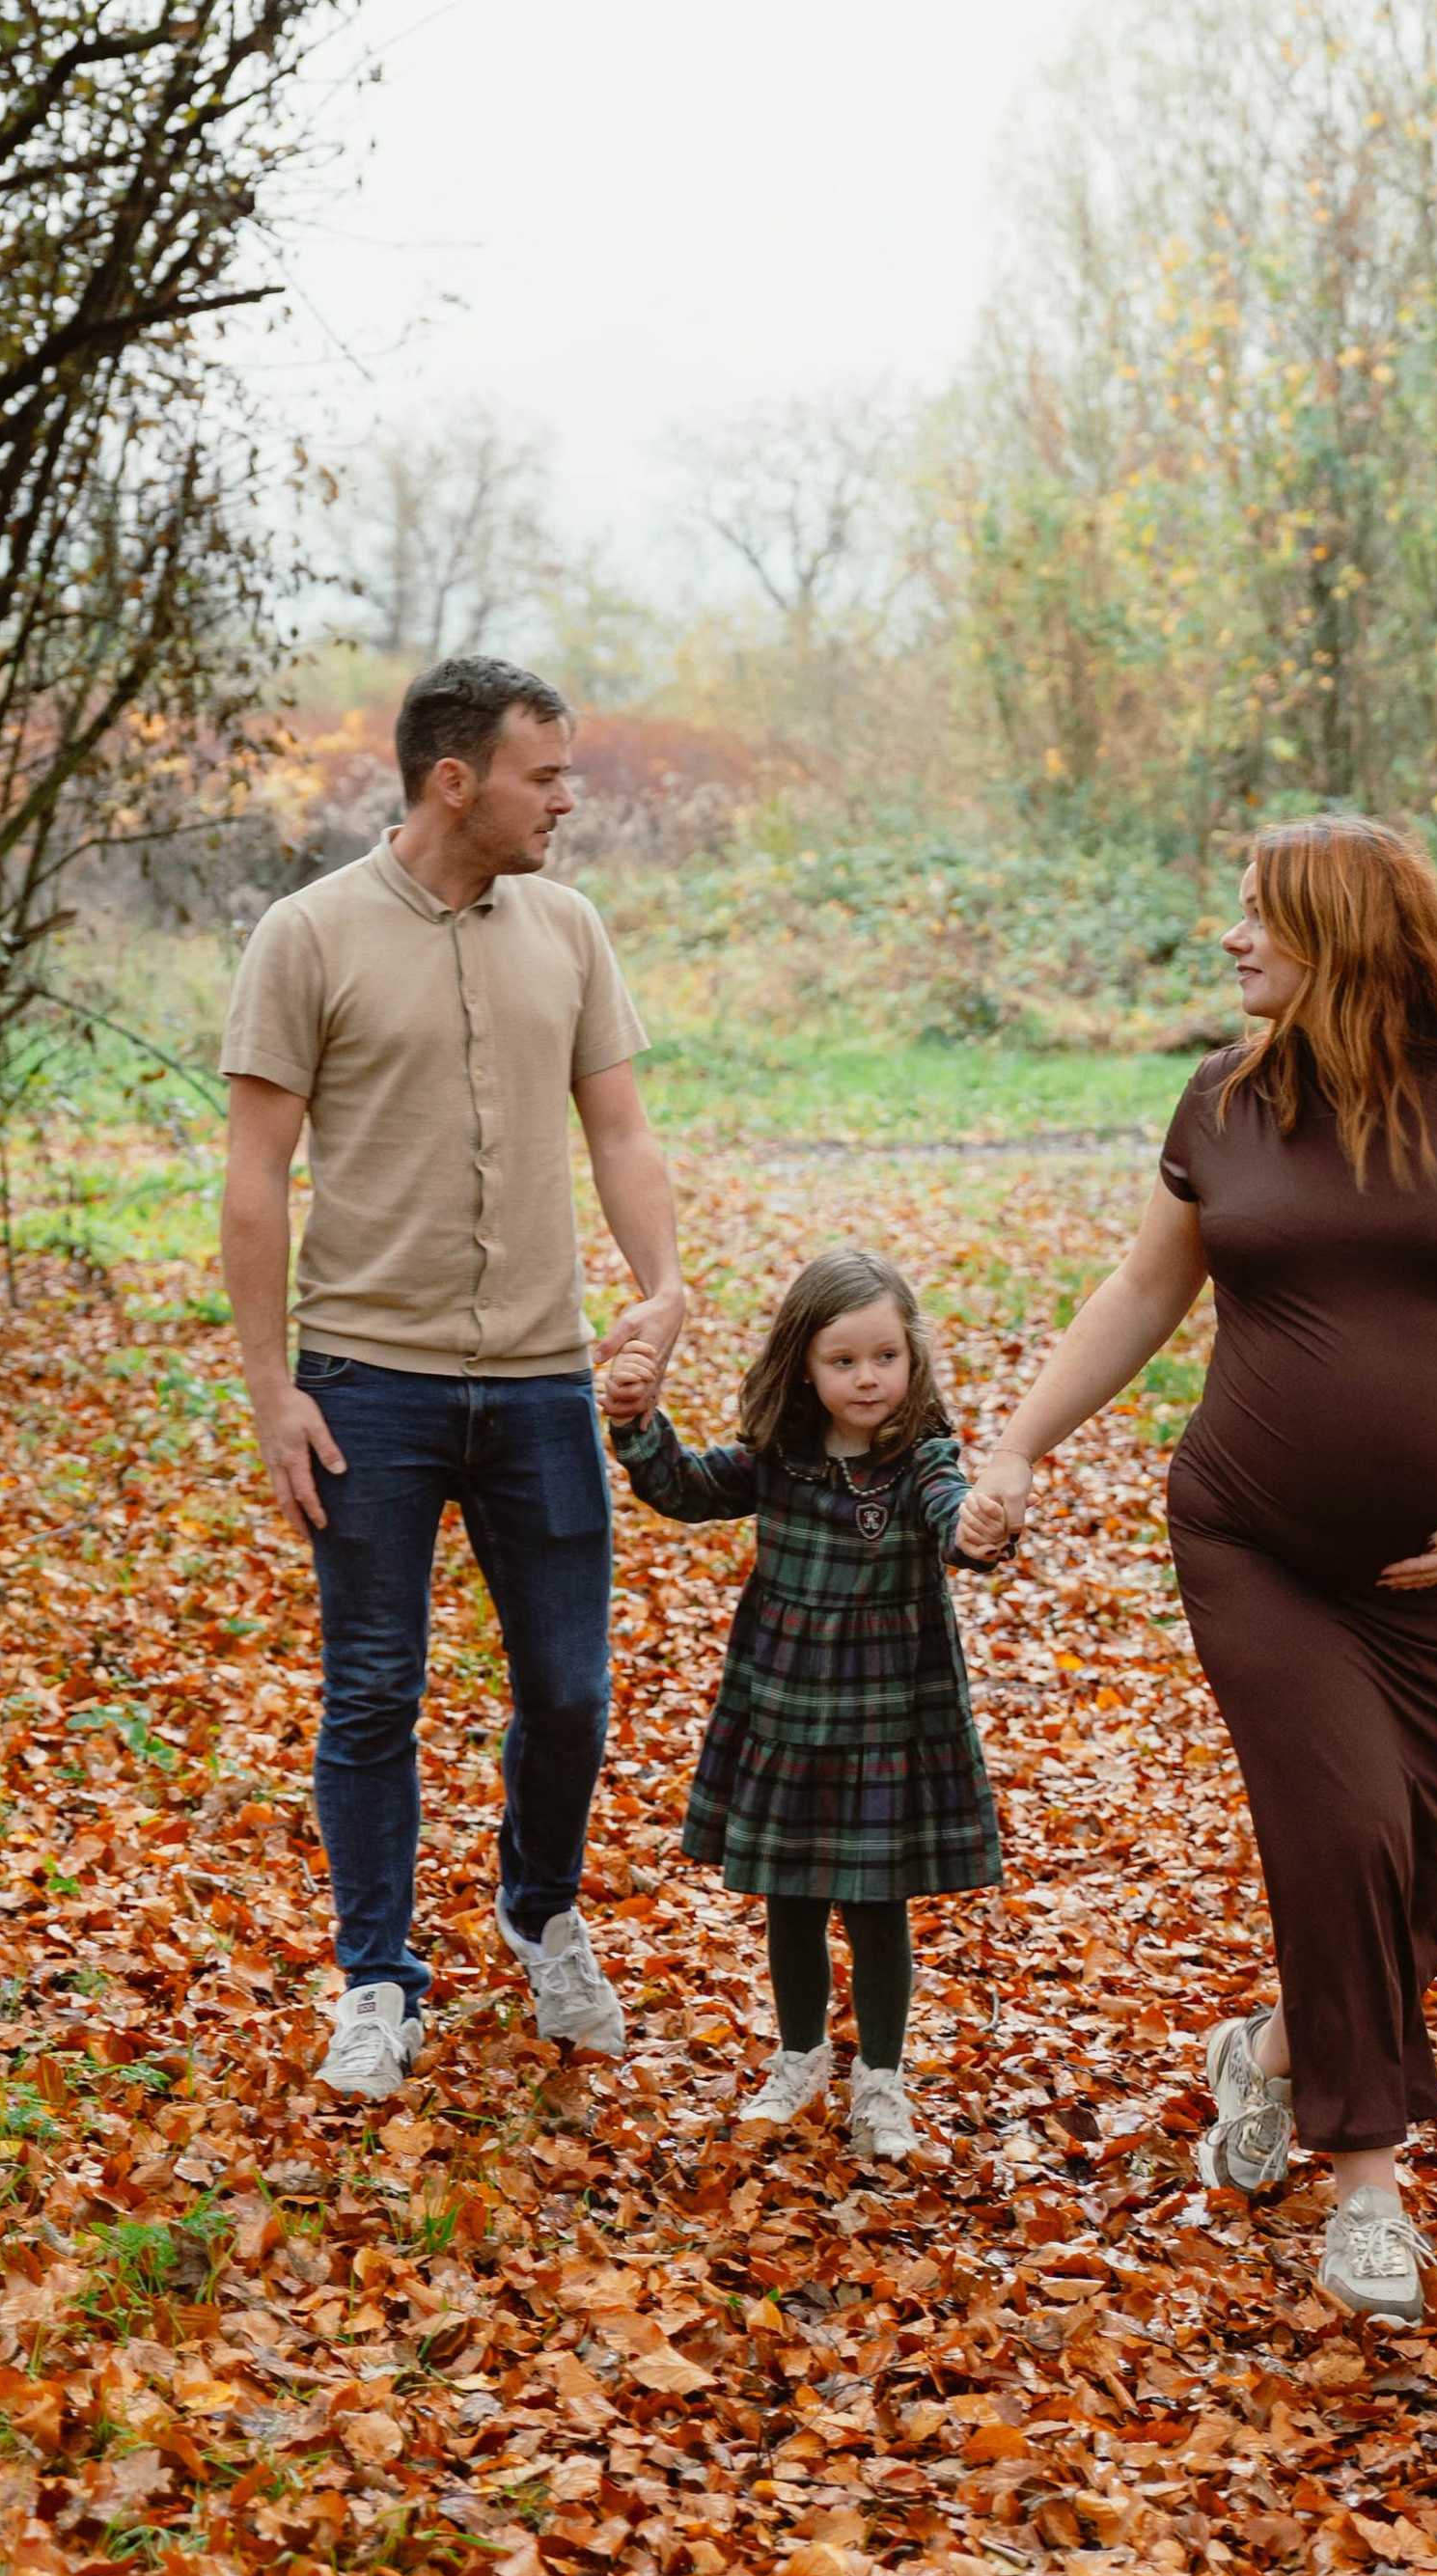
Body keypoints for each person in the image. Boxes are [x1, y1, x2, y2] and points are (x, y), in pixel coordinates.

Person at [969, 815, 1437, 2326]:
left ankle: (1267, 2054)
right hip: (1256, 1545)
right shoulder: (1226, 1099)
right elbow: (1143, 1289)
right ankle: (1368, 2193)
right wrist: (1016, 1448)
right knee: (1346, 1842)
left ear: (1344, 930)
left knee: (1414, 1882)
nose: (1232, 937)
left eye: (1260, 912)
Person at [219, 653, 687, 2105]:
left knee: (572, 1694)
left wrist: (662, 1285)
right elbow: (254, 1173)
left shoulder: (570, 927)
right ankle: (376, 1979)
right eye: (545, 776)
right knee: (372, 1690)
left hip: (543, 1381)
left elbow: (620, 1130)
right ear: (454, 780)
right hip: (369, 1382)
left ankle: (540, 1912)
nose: (568, 800)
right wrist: (271, 1386)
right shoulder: (308, 935)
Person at [602, 1246, 1009, 2166]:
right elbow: (683, 1489)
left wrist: (979, 1529)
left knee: (874, 1901)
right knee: (790, 1893)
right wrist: (638, 1422)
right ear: (803, 1366)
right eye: (844, 1360)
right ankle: (799, 2058)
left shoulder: (922, 1458)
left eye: (886, 1357)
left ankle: (882, 2080)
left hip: (887, 1715)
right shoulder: (778, 1458)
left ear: (912, 1358)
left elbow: (953, 1515)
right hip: (786, 1706)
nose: (868, 1378)